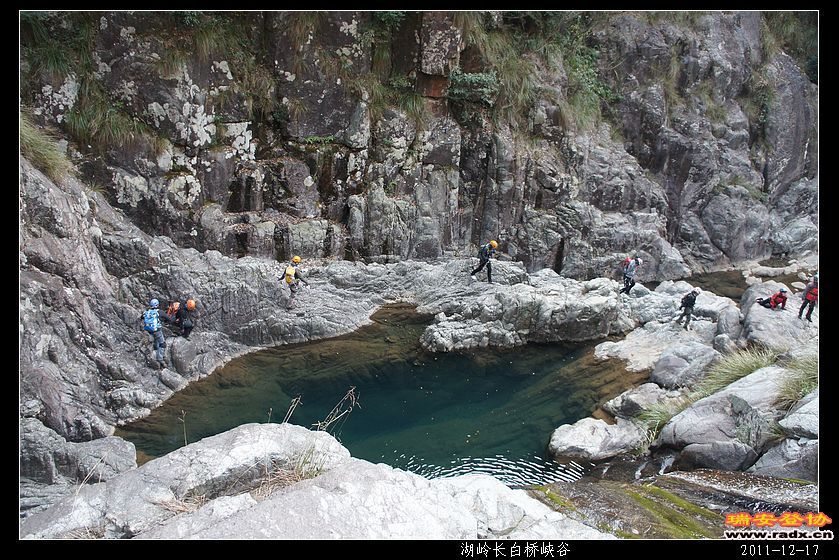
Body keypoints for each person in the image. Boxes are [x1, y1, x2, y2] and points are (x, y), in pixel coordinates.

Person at [141, 298, 169, 369]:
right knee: (162, 344)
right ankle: (160, 359)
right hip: (157, 330)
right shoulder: (159, 312)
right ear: (157, 305)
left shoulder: (146, 312)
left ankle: (156, 348)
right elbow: (168, 319)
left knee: (157, 340)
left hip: (148, 330)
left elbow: (142, 317)